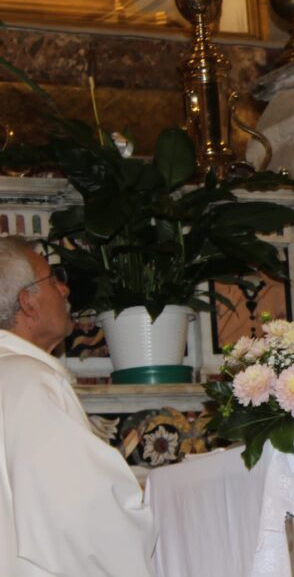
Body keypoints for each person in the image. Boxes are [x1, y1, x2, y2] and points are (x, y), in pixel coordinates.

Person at [0, 237, 155, 576]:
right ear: (28, 303)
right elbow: (83, 517)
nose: (65, 290)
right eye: (53, 280)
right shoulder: (30, 381)